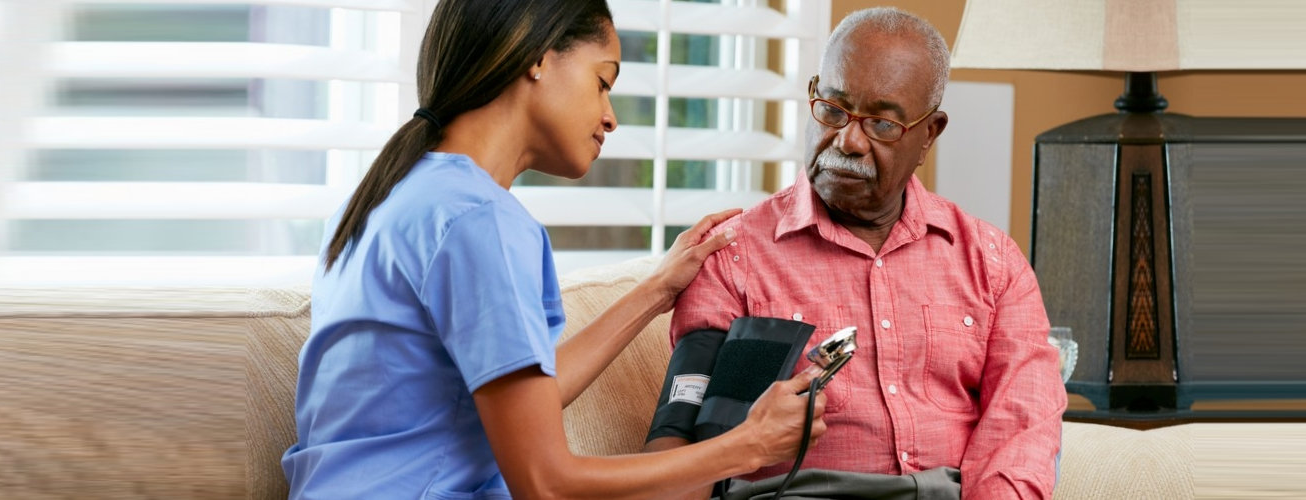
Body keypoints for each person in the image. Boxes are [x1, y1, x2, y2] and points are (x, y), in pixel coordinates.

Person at [281, 1, 825, 499]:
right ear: (538, 59)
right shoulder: (479, 222)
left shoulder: (390, 198)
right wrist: (745, 446)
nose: (610, 115)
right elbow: (545, 482)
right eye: (602, 81)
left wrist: (659, 289)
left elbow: (517, 403)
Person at [643, 8, 1065, 500]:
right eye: (833, 109)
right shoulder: (731, 256)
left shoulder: (992, 262)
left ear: (929, 134)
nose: (848, 140)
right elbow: (681, 443)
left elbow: (1023, 424)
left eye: (882, 124)